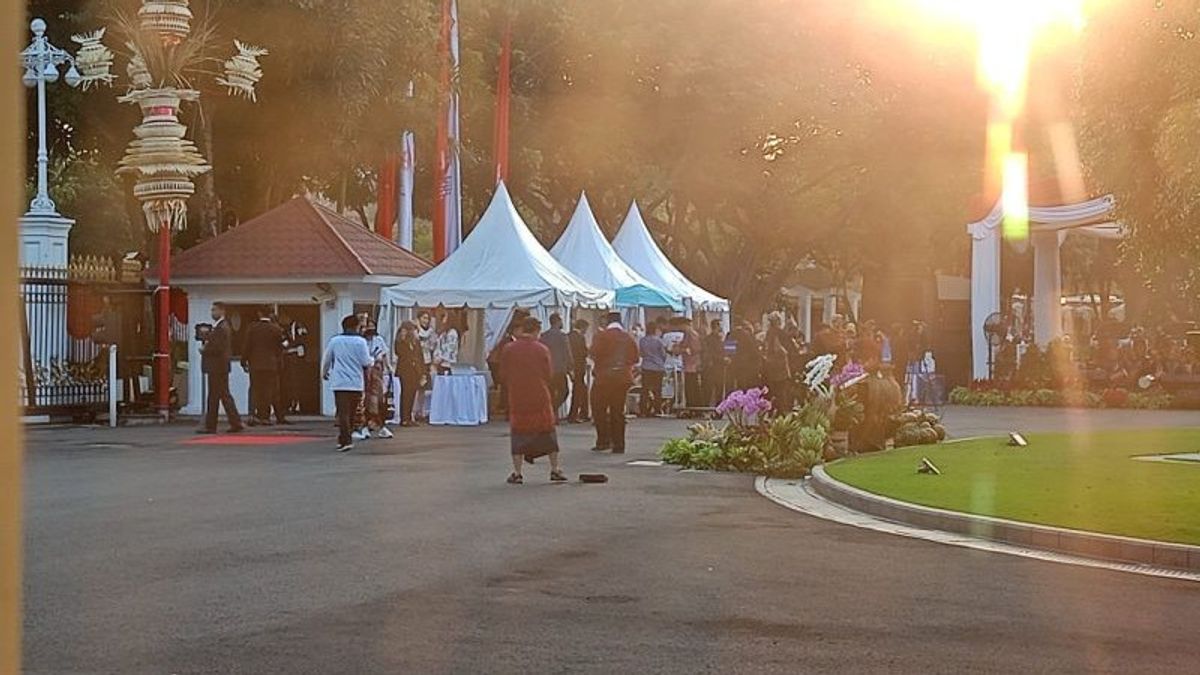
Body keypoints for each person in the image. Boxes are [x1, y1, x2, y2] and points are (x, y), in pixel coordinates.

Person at [500, 316, 568, 484]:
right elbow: (548, 374)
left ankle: (517, 472)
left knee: (518, 433)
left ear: (523, 329)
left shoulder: (509, 349)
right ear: (537, 331)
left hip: (517, 396)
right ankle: (554, 469)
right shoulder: (542, 349)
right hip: (539, 395)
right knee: (548, 432)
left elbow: (503, 374)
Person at [322, 314, 375, 452]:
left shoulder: (335, 341)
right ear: (357, 326)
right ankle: (346, 437)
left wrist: (324, 371)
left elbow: (327, 358)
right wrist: (373, 360)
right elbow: (365, 361)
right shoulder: (360, 342)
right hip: (355, 382)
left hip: (339, 382)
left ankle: (344, 439)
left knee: (343, 412)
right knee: (351, 412)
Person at [590, 312, 639, 454]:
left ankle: (603, 441)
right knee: (617, 411)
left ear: (607, 321)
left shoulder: (602, 335)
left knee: (599, 409)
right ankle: (619, 444)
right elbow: (635, 357)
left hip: (604, 377)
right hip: (622, 377)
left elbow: (593, 352)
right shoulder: (628, 337)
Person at [198, 302, 243, 434]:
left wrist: (204, 350)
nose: (212, 313)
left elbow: (217, 348)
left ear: (222, 311)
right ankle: (235, 422)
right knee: (223, 395)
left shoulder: (221, 328)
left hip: (216, 366)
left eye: (214, 310)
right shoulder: (222, 327)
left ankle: (211, 426)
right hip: (221, 366)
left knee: (215, 396)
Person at [241, 305, 285, 426]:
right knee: (268, 390)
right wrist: (279, 363)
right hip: (271, 364)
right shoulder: (276, 329)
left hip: (255, 363)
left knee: (254, 389)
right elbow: (279, 348)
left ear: (259, 314)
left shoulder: (252, 328)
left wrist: (243, 360)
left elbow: (247, 346)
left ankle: (252, 415)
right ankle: (264, 416)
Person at [356, 319, 393, 440]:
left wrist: (389, 367)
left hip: (376, 370)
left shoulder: (379, 340)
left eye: (372, 326)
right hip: (364, 370)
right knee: (366, 400)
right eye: (368, 327)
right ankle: (365, 426)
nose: (370, 329)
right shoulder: (360, 341)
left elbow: (384, 354)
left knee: (378, 400)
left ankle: (380, 425)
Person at [539, 313, 573, 417]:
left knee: (551, 392)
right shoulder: (562, 336)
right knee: (564, 392)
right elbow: (567, 352)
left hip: (547, 369)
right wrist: (570, 367)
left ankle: (552, 413)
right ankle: (553, 410)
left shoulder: (544, 336)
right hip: (560, 369)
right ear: (558, 322)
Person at [393, 320, 424, 427]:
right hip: (405, 370)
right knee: (406, 393)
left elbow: (420, 355)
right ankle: (404, 418)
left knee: (412, 393)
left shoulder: (416, 341)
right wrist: (403, 338)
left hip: (415, 370)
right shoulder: (400, 341)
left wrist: (422, 370)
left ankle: (409, 416)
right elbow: (399, 353)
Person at [763, 313, 793, 411]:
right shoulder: (780, 333)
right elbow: (786, 349)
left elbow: (766, 348)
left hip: (770, 366)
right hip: (780, 366)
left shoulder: (768, 333)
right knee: (782, 390)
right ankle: (781, 410)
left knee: (773, 389)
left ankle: (772, 409)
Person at [638, 322, 667, 417]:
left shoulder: (642, 340)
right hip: (658, 367)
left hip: (646, 366)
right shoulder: (659, 341)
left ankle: (643, 410)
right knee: (657, 390)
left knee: (645, 389)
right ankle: (657, 409)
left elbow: (641, 353)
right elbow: (663, 354)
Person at [567, 319, 591, 423]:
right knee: (578, 391)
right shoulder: (580, 338)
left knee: (580, 390)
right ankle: (575, 415)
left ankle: (582, 413)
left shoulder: (568, 336)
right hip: (579, 367)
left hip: (572, 367)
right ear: (583, 327)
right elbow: (583, 352)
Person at [701, 319, 727, 406]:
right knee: (709, 388)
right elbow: (710, 354)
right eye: (720, 327)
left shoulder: (720, 340)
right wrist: (722, 359)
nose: (721, 329)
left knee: (719, 388)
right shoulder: (709, 340)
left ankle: (718, 407)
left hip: (720, 368)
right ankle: (707, 407)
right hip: (712, 368)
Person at [731, 320, 762, 392]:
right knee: (746, 386)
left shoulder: (730, 335)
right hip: (747, 365)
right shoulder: (746, 335)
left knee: (738, 386)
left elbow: (729, 351)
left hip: (735, 366)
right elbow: (753, 350)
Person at [432, 310, 460, 375]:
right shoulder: (443, 333)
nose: (443, 319)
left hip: (447, 364)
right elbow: (438, 346)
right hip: (440, 364)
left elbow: (450, 349)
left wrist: (440, 358)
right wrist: (436, 357)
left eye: (445, 316)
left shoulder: (453, 333)